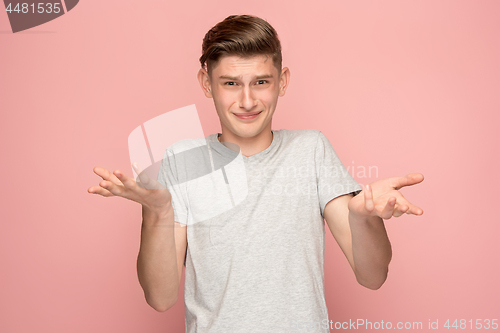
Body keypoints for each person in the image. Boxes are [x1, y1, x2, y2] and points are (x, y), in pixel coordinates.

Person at [88, 14, 424, 333]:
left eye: (261, 82)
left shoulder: (310, 151)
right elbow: (160, 298)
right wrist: (157, 212)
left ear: (283, 81)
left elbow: (373, 275)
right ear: (207, 84)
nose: (247, 100)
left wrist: (364, 217)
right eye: (231, 83)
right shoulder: (182, 160)